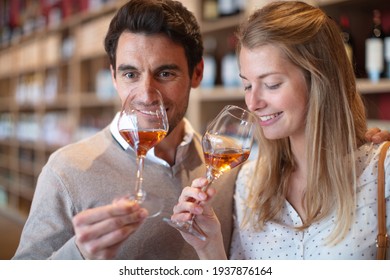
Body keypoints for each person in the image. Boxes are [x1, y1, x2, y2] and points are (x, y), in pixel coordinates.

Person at [12, 0, 240, 260]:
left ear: (197, 73)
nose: (146, 95)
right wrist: (79, 255)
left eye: (165, 73)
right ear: (113, 78)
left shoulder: (225, 169)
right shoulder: (65, 170)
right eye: (130, 75)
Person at [170, 1, 390, 260]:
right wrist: (209, 247)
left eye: (272, 84)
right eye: (247, 85)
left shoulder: (381, 174)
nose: (253, 103)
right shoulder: (249, 183)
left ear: (321, 81)